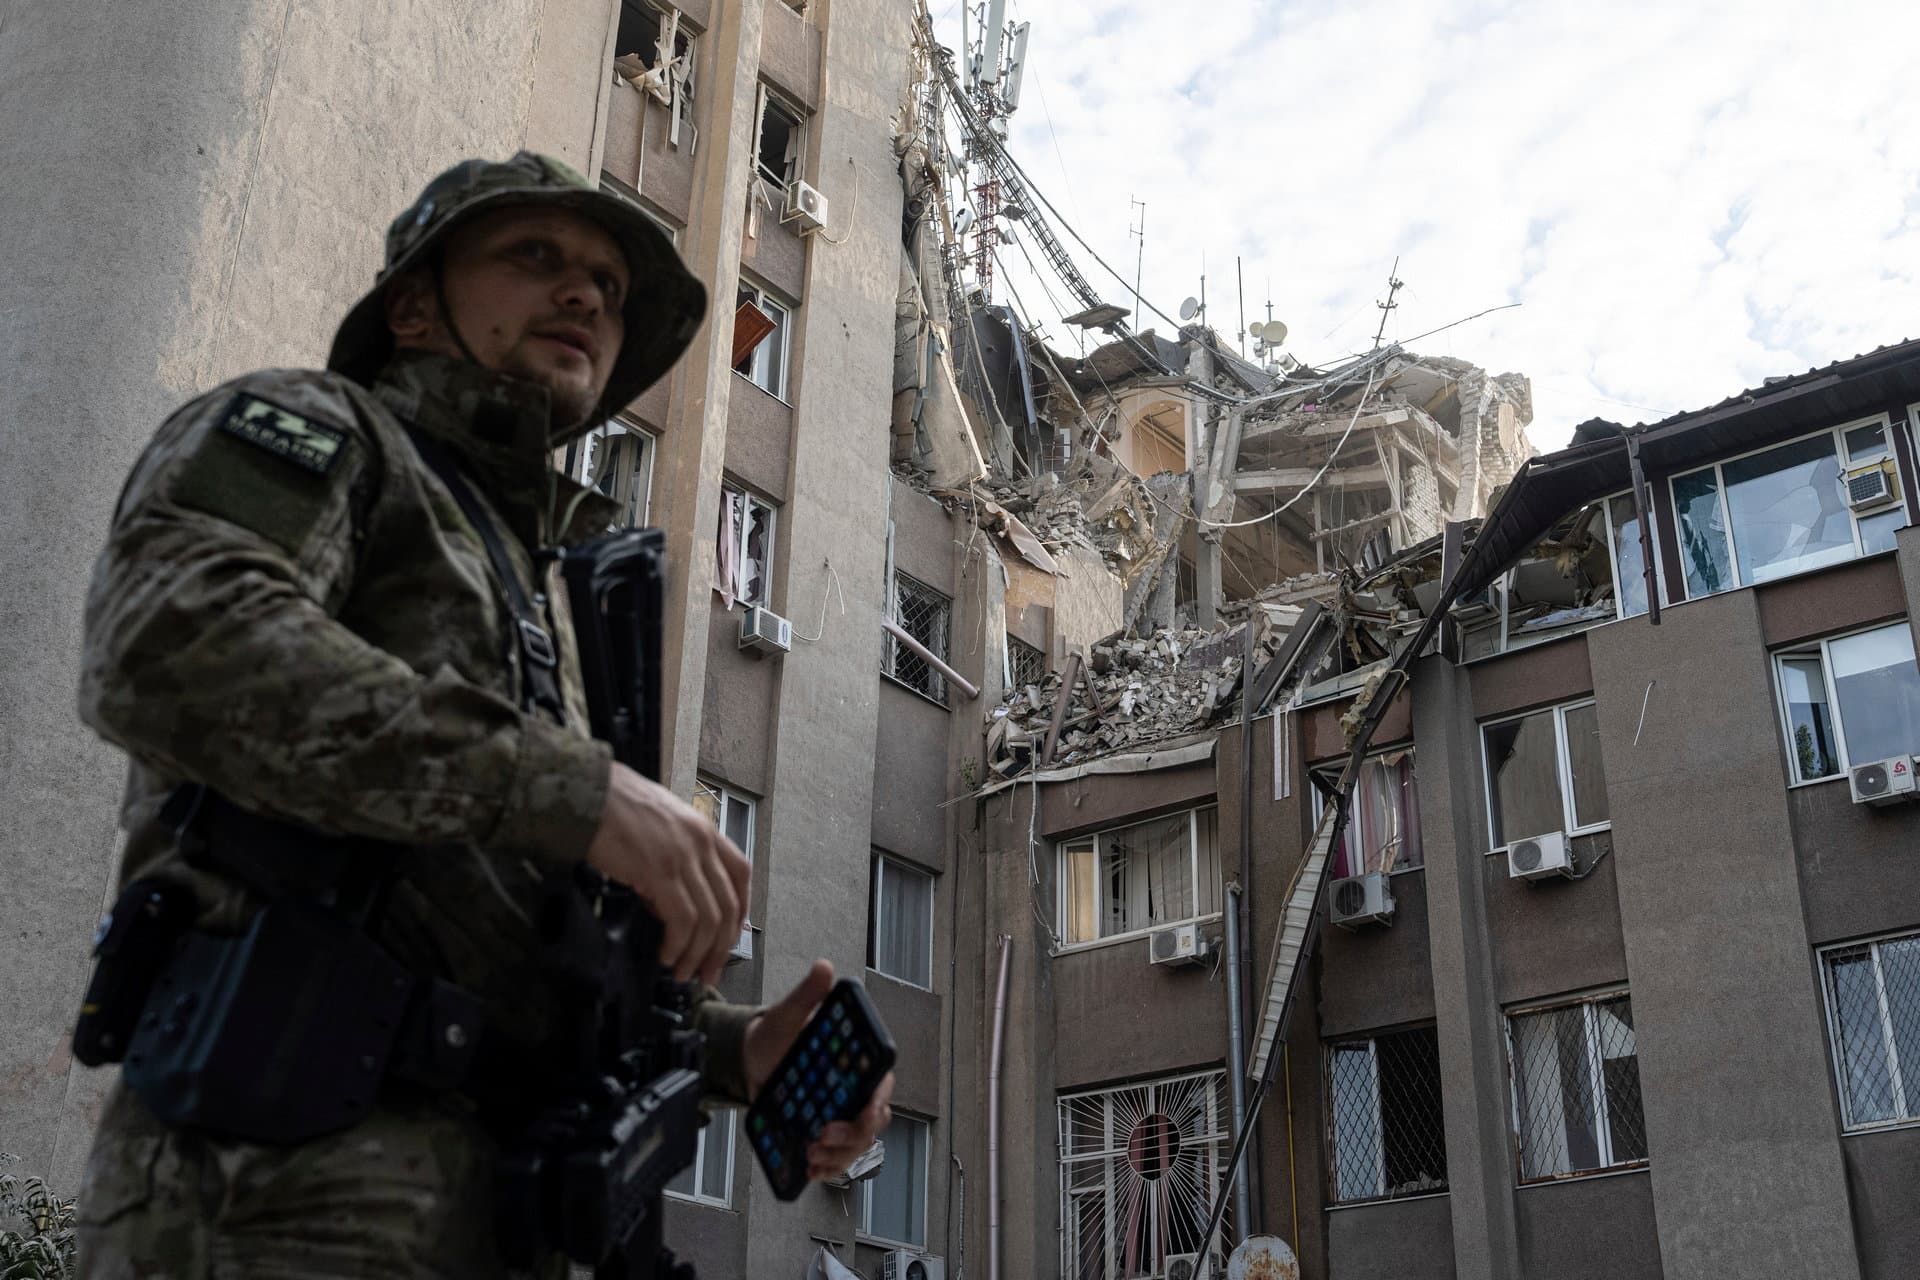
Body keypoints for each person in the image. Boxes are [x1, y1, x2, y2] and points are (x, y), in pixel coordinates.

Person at [72, 152, 894, 1278]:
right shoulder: (319, 432)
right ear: (412, 305)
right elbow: (172, 648)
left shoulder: (544, 585)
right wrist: (577, 789)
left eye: (608, 284)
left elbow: (513, 943)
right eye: (536, 257)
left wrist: (735, 1049)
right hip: (272, 1201)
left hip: (495, 1222)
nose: (586, 297)